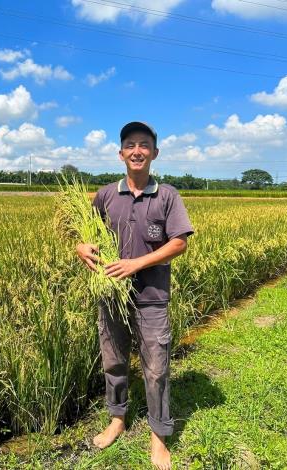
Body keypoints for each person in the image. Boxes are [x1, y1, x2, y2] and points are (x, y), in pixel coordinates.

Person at [76, 121, 193, 470]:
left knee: (156, 367)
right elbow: (83, 230)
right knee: (113, 360)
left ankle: (159, 436)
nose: (137, 150)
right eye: (130, 145)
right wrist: (80, 246)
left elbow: (180, 242)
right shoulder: (106, 195)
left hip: (152, 295)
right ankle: (117, 419)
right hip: (112, 295)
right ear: (121, 153)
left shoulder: (168, 195)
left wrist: (136, 264)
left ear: (154, 153)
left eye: (144, 145)